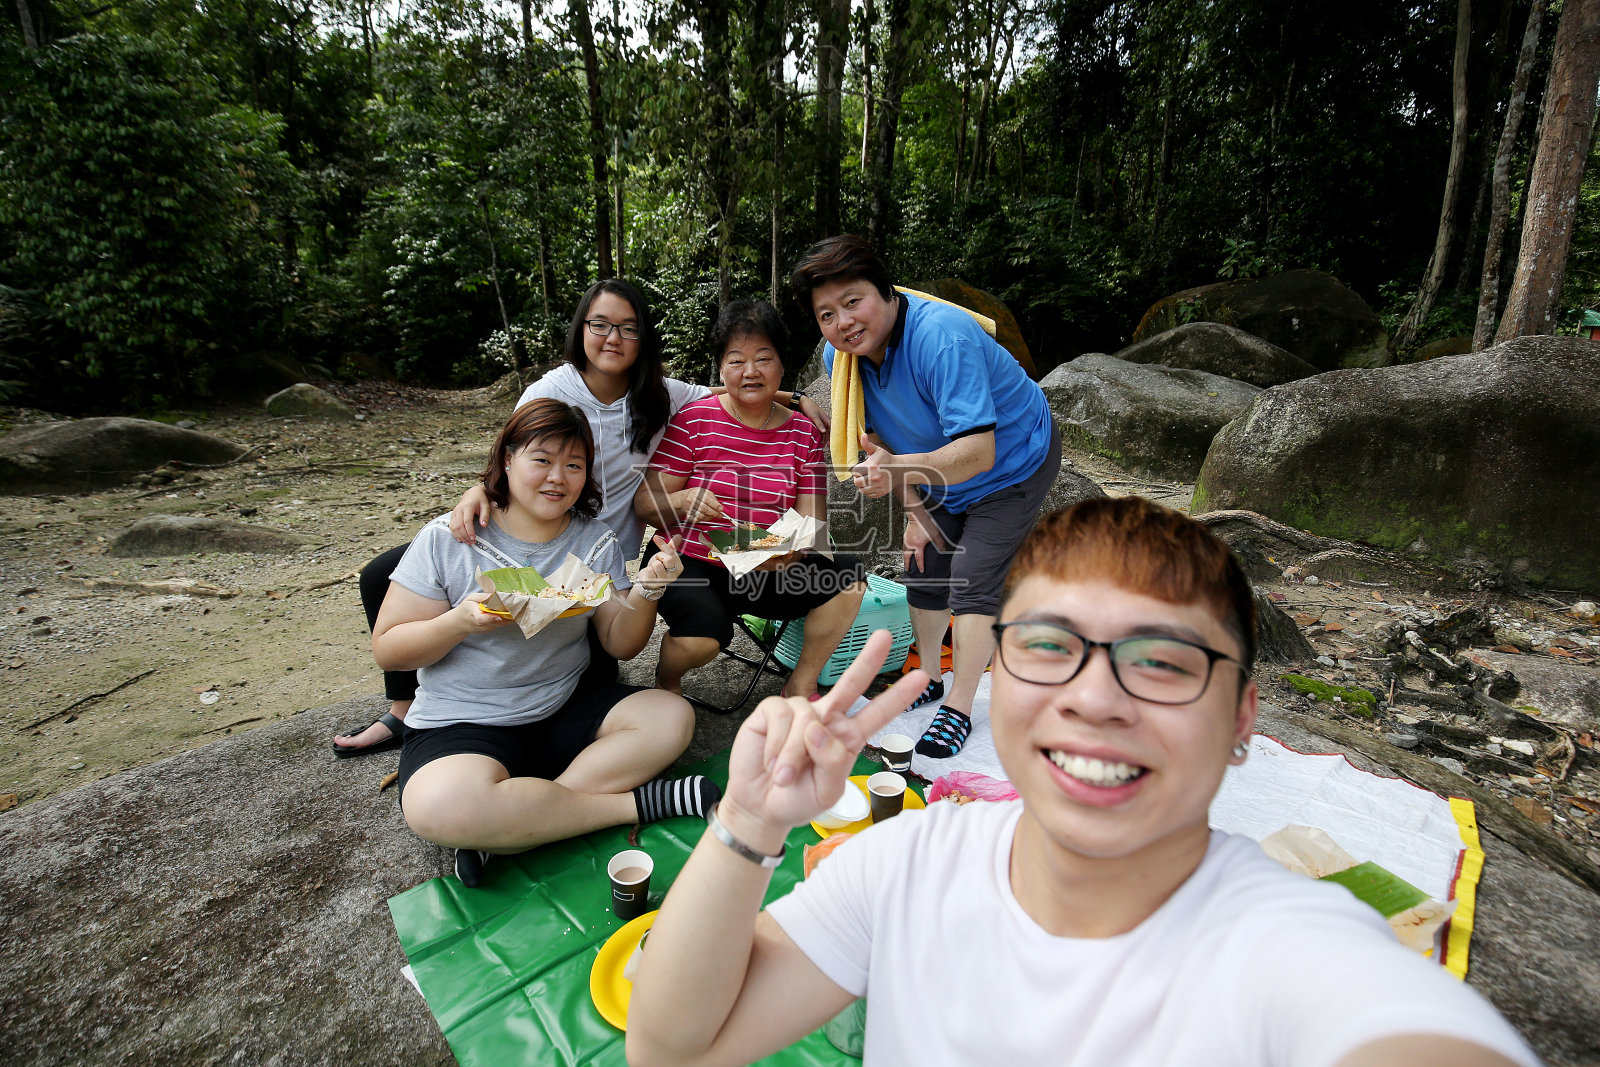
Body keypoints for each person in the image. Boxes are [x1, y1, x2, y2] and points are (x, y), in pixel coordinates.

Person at [624, 497, 1539, 1067]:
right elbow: (671, 1045)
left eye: (1166, 661)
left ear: (1243, 718)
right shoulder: (904, 864)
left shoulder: (1293, 944)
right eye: (1050, 647)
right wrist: (747, 820)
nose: (1095, 697)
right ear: (995, 677)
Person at [335, 278, 824, 756]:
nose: (614, 338)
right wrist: (477, 490)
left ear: (643, 338)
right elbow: (517, 451)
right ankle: (404, 709)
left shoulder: (661, 392)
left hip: (598, 550)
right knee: (384, 575)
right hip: (541, 530)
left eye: (628, 328)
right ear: (581, 328)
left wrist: (795, 399)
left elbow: (733, 384)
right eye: (601, 324)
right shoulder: (550, 389)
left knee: (596, 667)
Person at [373, 398, 720, 887]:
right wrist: (460, 622)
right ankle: (635, 804)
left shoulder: (593, 541)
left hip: (565, 704)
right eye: (543, 459)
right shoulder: (451, 537)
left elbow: (620, 644)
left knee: (671, 715)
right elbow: (388, 648)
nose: (559, 477)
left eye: (574, 465)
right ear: (508, 459)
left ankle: (520, 826)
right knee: (437, 806)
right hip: (468, 719)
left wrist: (647, 589)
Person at [791, 234, 1061, 760]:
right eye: (826, 314)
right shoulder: (839, 360)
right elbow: (883, 443)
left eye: (853, 302)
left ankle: (959, 708)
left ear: (886, 291)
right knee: (925, 566)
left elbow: (980, 451)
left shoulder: (942, 338)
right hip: (936, 468)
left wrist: (900, 472)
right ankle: (929, 680)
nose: (843, 323)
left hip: (1010, 464)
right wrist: (916, 515)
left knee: (973, 578)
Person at [634, 299, 866, 700]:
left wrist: (796, 550)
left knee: (848, 577)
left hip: (763, 562)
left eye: (764, 358)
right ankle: (667, 680)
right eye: (736, 360)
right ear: (721, 369)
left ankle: (801, 684)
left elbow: (811, 522)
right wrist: (683, 499)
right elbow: (644, 503)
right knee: (703, 640)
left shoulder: (803, 433)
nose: (751, 371)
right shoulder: (695, 420)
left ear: (781, 364)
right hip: (689, 560)